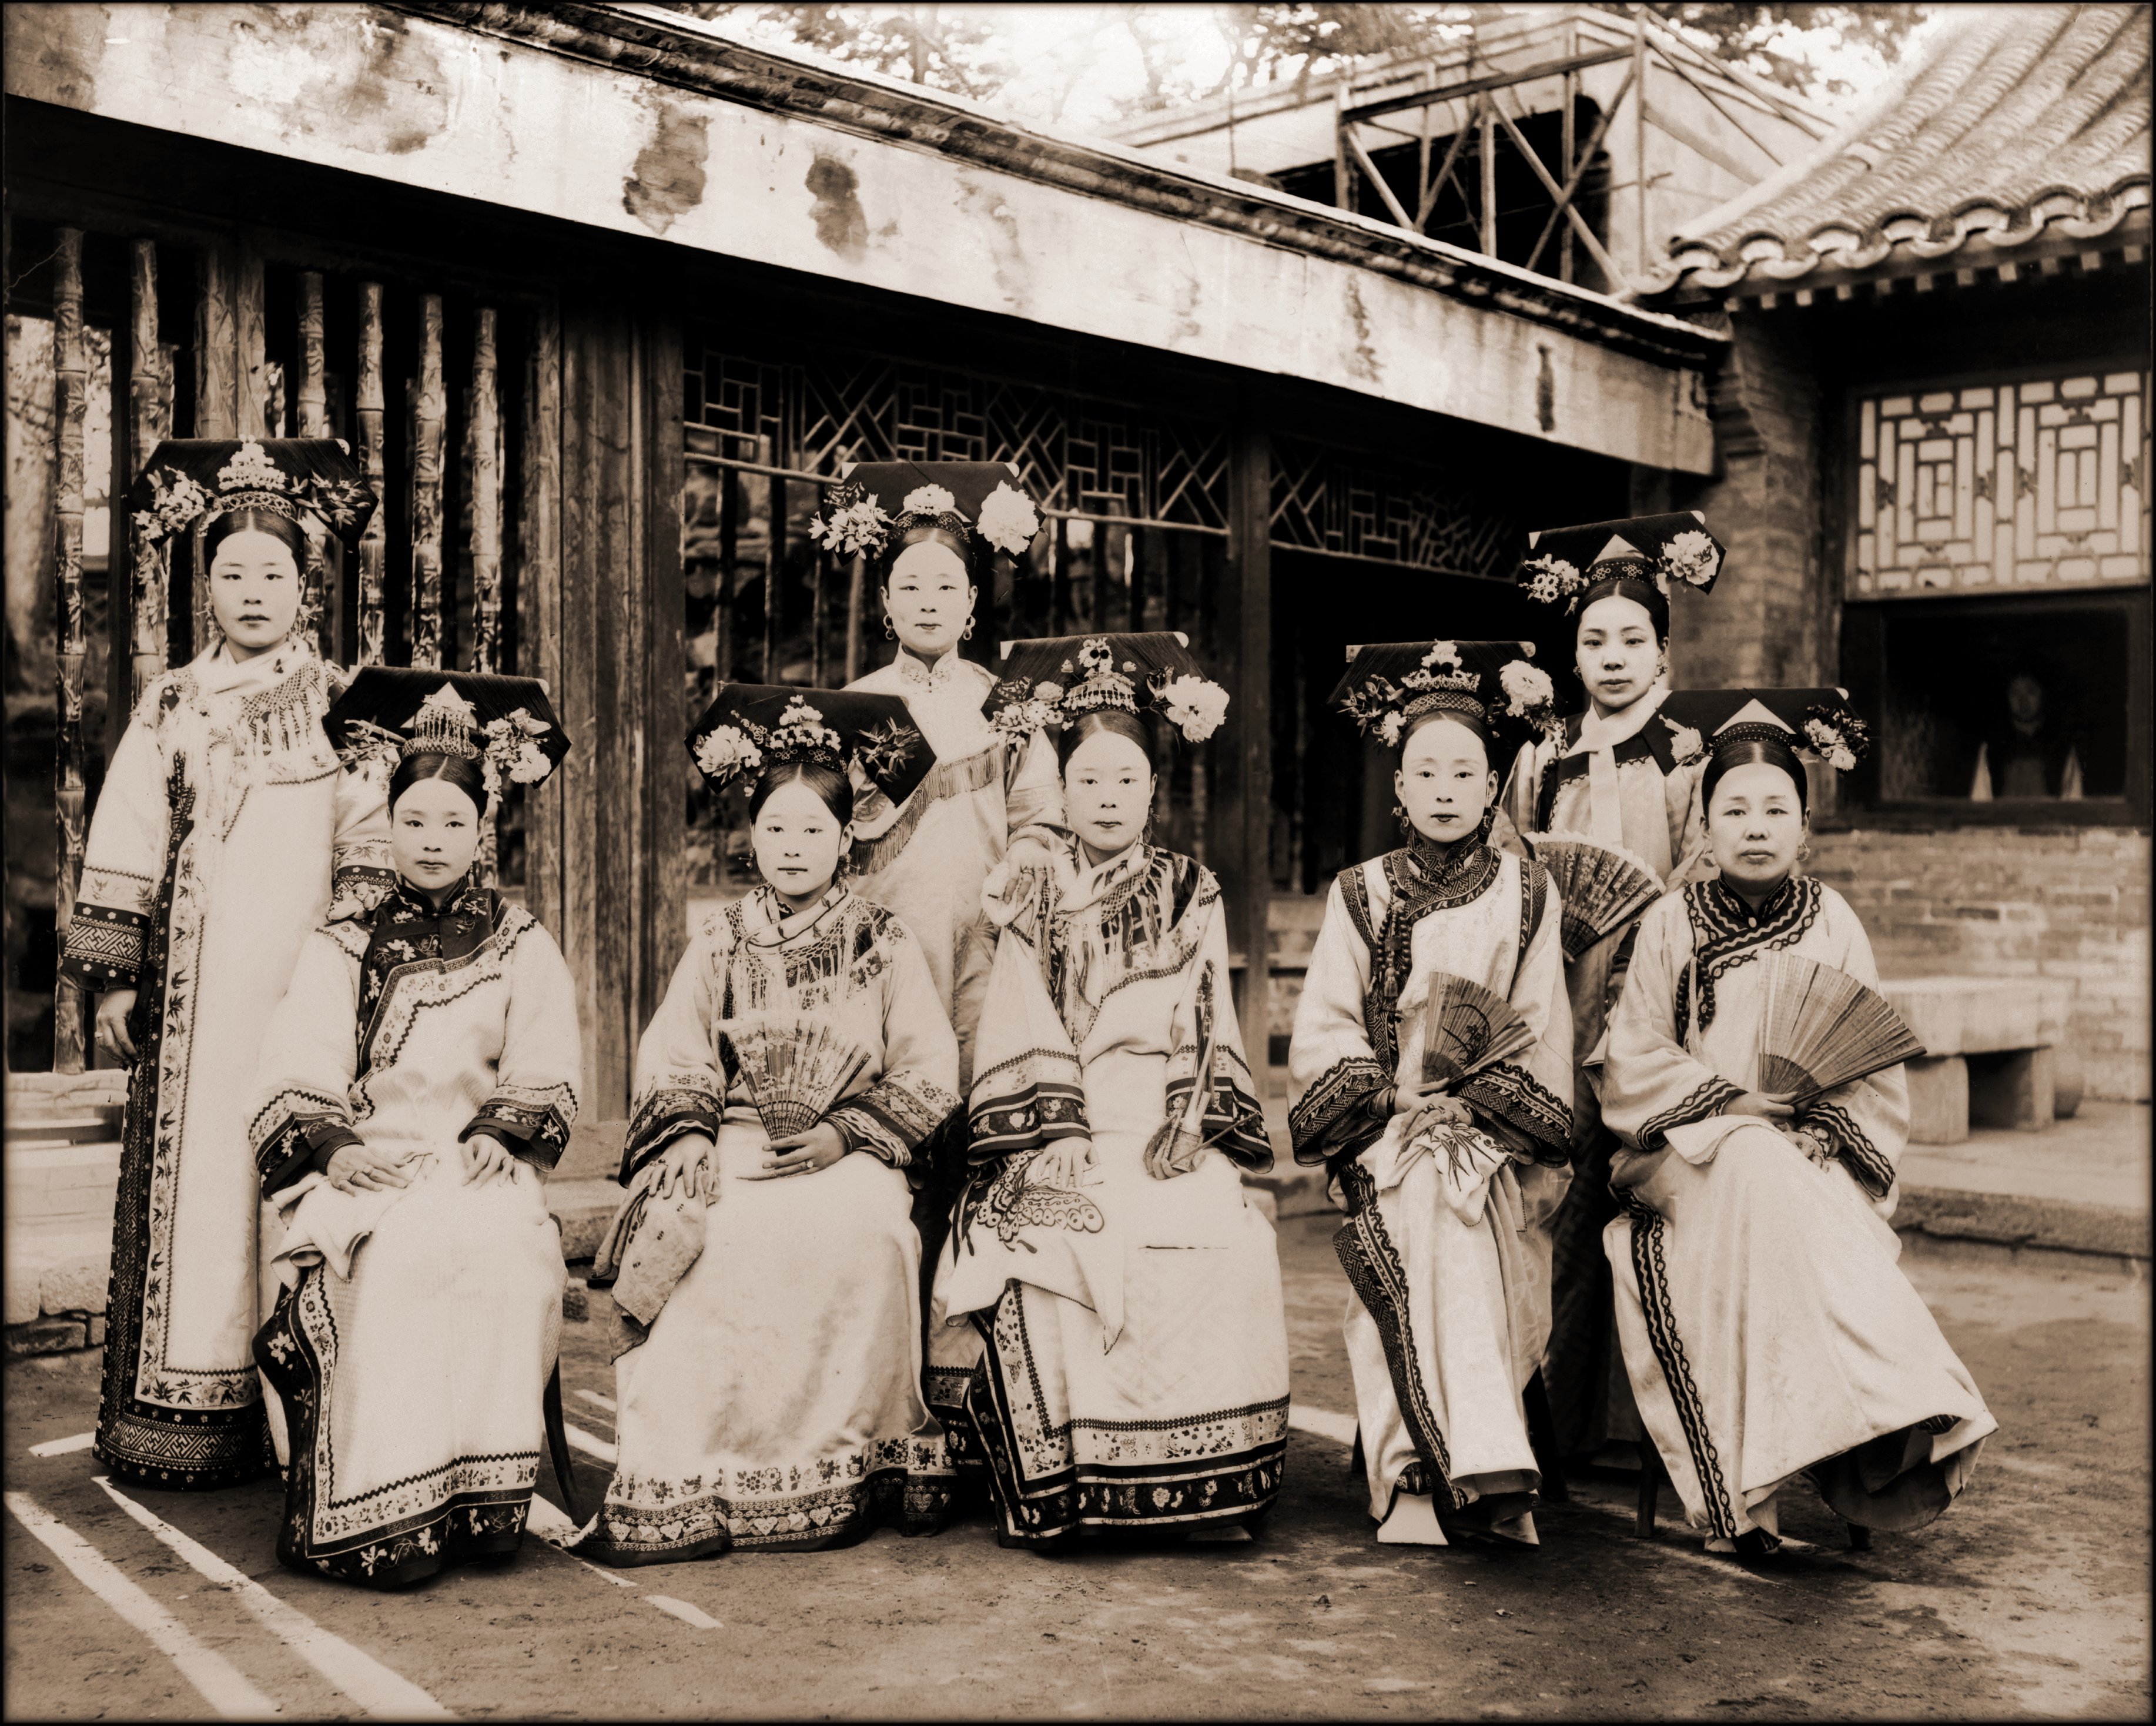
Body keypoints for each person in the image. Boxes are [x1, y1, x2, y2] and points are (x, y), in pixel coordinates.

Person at [1599, 691, 1995, 1556]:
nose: (1754, 827)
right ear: (1702, 829)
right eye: (1733, 810)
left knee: (1779, 1187)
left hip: (1806, 1160)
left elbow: (1872, 1068)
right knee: (1749, 1159)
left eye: (1776, 808)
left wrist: (1826, 1128)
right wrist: (1730, 1105)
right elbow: (1628, 1059)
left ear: (1805, 826)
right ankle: (1895, 1402)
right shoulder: (1671, 922)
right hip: (1684, 1156)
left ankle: (1780, 1473)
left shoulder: (1834, 921)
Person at [63, 438, 389, 1490]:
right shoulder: (174, 704)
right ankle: (191, 1405)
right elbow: (125, 833)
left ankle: (308, 1414)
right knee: (199, 1183)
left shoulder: (347, 705)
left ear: (310, 588)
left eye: (276, 574)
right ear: (205, 587)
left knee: (293, 1171)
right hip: (197, 995)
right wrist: (115, 972)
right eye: (234, 573)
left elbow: (370, 844)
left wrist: (347, 958)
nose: (255, 592)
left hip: (307, 987)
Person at [577, 684, 960, 1564]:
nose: (794, 848)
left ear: (847, 837)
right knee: (713, 1234)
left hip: (848, 1145)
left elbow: (929, 1070)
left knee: (870, 1233)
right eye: (777, 830)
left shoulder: (883, 939)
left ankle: (855, 1460)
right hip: (739, 1139)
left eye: (813, 831)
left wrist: (848, 1133)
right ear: (752, 837)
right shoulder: (720, 939)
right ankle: (697, 1475)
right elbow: (675, 1056)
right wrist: (690, 1136)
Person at [931, 633, 1288, 1550]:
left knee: (1222, 1228)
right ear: (1067, 792)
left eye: (1126, 781)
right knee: (1054, 1228)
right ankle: (1072, 1485)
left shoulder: (1189, 889)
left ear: (1153, 793)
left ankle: (1206, 1486)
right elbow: (1018, 1018)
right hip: (1058, 1120)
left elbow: (1207, 1014)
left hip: (1163, 1117)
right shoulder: (1035, 893)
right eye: (1089, 780)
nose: (1107, 798)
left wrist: (1189, 1124)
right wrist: (1058, 1128)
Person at [248, 672, 578, 1586]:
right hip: (372, 1160)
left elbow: (546, 1065)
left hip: (472, 1157)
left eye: (453, 824)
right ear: (386, 826)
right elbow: (294, 1067)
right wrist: (336, 1150)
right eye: (415, 821)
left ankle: (481, 1505)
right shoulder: (343, 938)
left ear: (483, 832)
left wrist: (503, 1136)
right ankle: (381, 1510)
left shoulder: (521, 940)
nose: (433, 842)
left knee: (504, 1250)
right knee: (401, 1258)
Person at [1289, 640, 1575, 1547]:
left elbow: (1543, 1028)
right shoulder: (1360, 894)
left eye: (1465, 771)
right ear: (1400, 787)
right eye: (1426, 772)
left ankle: (1431, 1466)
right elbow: (1327, 1025)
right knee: (1418, 1194)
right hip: (1385, 1124)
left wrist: (1478, 1109)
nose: (1445, 788)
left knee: (1455, 1199)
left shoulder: (1531, 894)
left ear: (1494, 787)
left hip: (1494, 1130)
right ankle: (1451, 1468)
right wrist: (1390, 1100)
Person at [819, 461, 1067, 1322]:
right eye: (910, 585)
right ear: (884, 602)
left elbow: (1042, 819)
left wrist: (1026, 859)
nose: (928, 601)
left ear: (972, 604)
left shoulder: (1008, 708)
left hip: (981, 942)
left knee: (972, 1136)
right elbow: (817, 833)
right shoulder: (850, 707)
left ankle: (965, 1335)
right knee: (887, 1138)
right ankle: (880, 1335)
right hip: (884, 944)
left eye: (946, 586)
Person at [1505, 513, 1722, 1475]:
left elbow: (1702, 881)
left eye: (1634, 639)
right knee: (1554, 1195)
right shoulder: (1541, 756)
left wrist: (1653, 962)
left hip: (1652, 1003)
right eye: (1595, 640)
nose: (1613, 657)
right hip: (1554, 997)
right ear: (1573, 651)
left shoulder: (1688, 754)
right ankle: (1547, 1420)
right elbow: (1512, 868)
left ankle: (1648, 1430)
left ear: (1665, 648)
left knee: (1635, 1200)